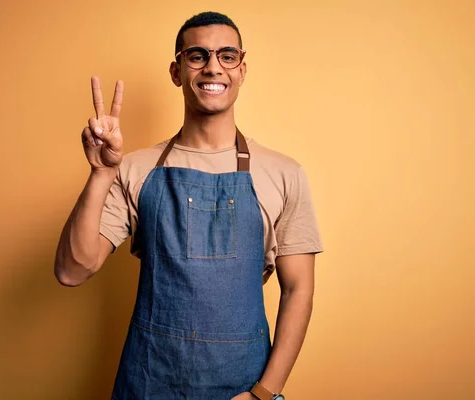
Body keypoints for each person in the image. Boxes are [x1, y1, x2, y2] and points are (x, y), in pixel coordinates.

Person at [54, 11, 323, 400]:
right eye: (197, 56)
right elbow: (72, 270)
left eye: (227, 56)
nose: (213, 67)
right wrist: (100, 173)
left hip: (243, 386)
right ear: (177, 71)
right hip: (149, 382)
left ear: (242, 69)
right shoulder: (134, 168)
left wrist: (265, 393)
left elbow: (298, 290)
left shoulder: (284, 173)